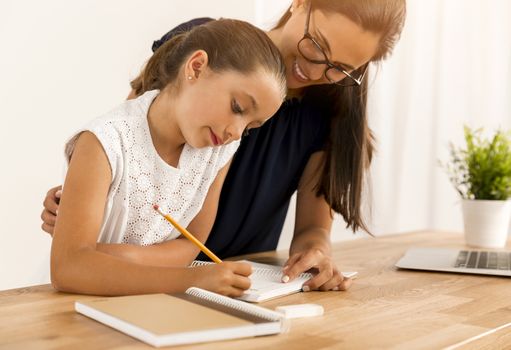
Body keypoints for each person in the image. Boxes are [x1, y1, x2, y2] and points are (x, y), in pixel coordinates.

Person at [42, 0, 406, 293]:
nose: (314, 72)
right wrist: (84, 198)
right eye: (317, 47)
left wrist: (316, 254)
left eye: (339, 68)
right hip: (137, 272)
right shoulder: (205, 42)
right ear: (299, 4)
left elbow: (313, 228)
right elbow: (133, 147)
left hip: (237, 284)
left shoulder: (327, 112)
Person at [50, 19, 287, 296]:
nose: (236, 132)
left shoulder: (218, 151)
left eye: (250, 128)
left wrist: (110, 258)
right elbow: (69, 268)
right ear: (196, 67)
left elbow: (191, 244)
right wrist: (190, 280)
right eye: (237, 107)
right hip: (84, 309)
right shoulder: (104, 142)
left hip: (156, 304)